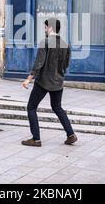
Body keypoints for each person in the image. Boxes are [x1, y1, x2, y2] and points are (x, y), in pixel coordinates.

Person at [21, 18, 77, 147]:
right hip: (58, 82)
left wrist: (28, 78)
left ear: (50, 28)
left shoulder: (45, 42)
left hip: (43, 82)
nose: (45, 30)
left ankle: (36, 139)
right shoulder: (65, 44)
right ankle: (71, 134)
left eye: (45, 28)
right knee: (57, 108)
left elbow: (39, 63)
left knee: (31, 107)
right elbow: (66, 64)